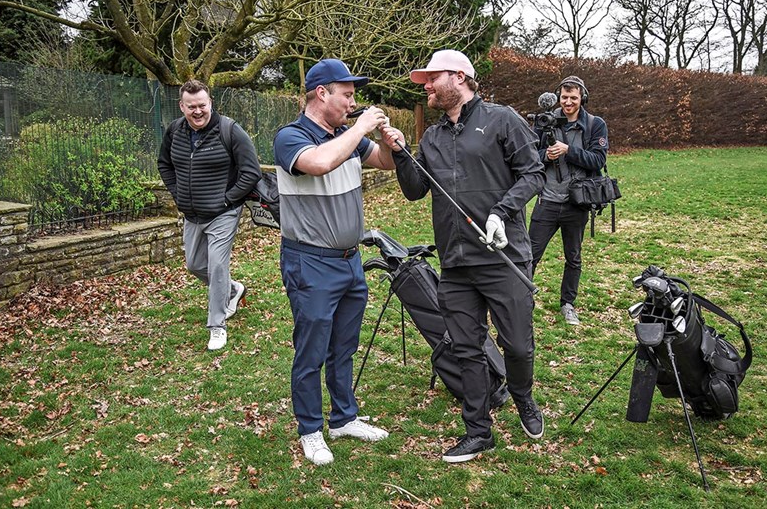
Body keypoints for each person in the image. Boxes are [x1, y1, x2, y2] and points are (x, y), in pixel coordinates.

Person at [392, 49, 546, 463]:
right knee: (466, 349)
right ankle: (478, 431)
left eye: (431, 78)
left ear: (459, 77)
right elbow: (413, 189)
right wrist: (401, 152)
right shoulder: (432, 137)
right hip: (456, 265)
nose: (425, 85)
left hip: (503, 258)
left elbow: (534, 174)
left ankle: (523, 396)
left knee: (516, 345)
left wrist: (502, 211)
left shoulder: (502, 119)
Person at [273, 58, 406, 466]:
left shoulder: (346, 136)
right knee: (311, 351)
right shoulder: (291, 137)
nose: (353, 102)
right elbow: (319, 163)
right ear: (321, 93)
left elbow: (383, 162)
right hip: (310, 262)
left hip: (350, 261)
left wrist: (388, 142)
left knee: (343, 346)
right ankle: (310, 430)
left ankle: (343, 418)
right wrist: (363, 128)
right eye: (346, 94)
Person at [158, 79, 262, 351]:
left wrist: (227, 199)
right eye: (191, 106)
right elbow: (164, 164)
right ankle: (231, 290)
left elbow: (251, 172)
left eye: (202, 105)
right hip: (192, 213)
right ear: (181, 106)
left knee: (217, 265)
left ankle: (217, 325)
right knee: (194, 265)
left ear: (210, 103)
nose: (197, 111)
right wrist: (177, 193)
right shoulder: (174, 132)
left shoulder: (230, 131)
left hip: (223, 213)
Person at [528, 75, 609, 326]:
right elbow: (529, 156)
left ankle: (568, 304)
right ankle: (521, 299)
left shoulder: (595, 125)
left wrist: (567, 150)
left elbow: (598, 160)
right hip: (547, 200)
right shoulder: (545, 121)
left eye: (574, 97)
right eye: (564, 97)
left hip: (577, 202)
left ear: (582, 97)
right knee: (529, 255)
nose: (568, 102)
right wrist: (547, 155)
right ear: (558, 97)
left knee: (573, 257)